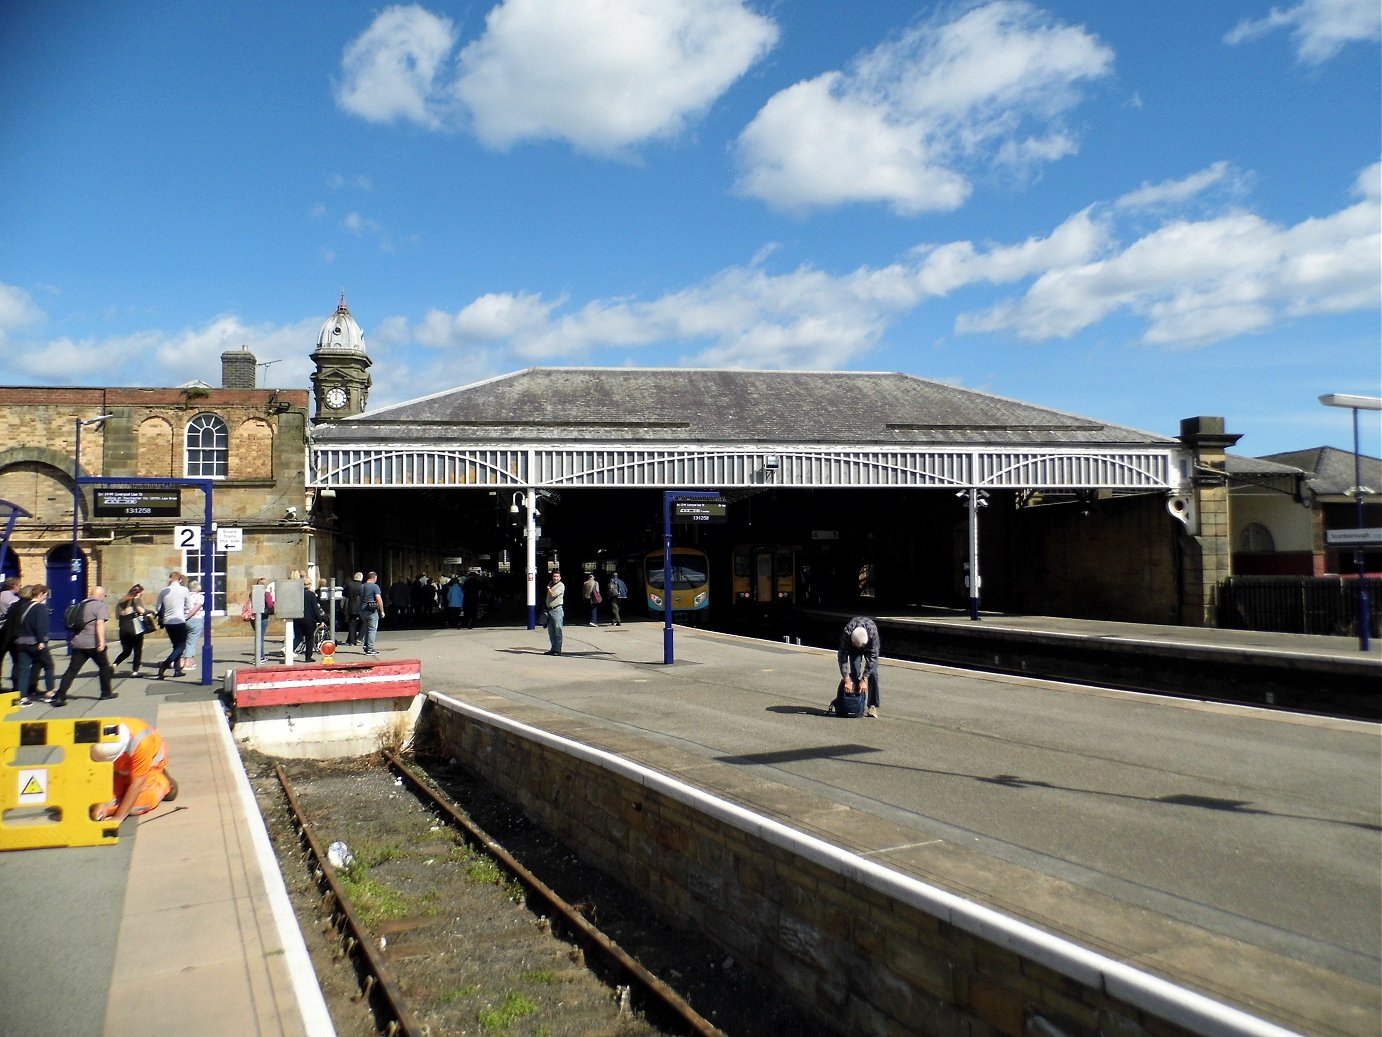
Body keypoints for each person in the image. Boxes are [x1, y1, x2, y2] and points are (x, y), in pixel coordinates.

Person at [88, 718, 177, 823]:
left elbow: (137, 785)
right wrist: (100, 803)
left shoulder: (141, 742)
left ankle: (164, 783)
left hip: (148, 769)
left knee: (144, 800)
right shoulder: (98, 737)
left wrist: (117, 817)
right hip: (119, 771)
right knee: (93, 802)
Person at [52, 585, 116, 706]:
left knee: (72, 670)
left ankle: (60, 696)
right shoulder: (99, 606)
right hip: (93, 643)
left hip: (78, 643)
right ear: (101, 595)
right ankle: (106, 693)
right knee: (104, 667)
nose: (104, 598)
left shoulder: (80, 604)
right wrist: (101, 641)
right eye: (104, 596)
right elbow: (99, 624)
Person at [13, 584, 55, 704]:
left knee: (24, 670)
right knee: (48, 665)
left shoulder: (22, 606)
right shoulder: (40, 608)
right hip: (35, 642)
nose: (45, 598)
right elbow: (40, 626)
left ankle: (23, 697)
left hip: (21, 642)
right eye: (45, 595)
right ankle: (49, 692)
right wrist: (42, 641)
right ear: (40, 594)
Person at [836, 616, 881, 718]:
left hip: (869, 645)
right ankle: (853, 704)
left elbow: (873, 658)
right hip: (853, 646)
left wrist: (864, 679)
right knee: (855, 672)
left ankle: (872, 706)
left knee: (873, 674)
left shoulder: (872, 633)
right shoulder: (847, 632)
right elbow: (842, 656)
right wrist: (846, 679)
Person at [154, 571, 191, 680]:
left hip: (168, 622)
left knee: (176, 646)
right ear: (180, 580)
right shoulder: (184, 590)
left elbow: (158, 608)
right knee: (181, 646)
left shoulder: (163, 591)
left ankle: (177, 670)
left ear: (170, 578)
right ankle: (164, 665)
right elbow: (189, 605)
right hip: (179, 620)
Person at [112, 584, 152, 677]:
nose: (142, 595)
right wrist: (151, 612)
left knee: (126, 650)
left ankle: (114, 664)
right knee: (137, 650)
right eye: (141, 593)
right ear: (138, 593)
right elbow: (141, 611)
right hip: (134, 628)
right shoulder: (136, 600)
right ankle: (135, 671)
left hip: (123, 628)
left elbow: (117, 617)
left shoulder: (120, 601)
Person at [290, 570, 325, 662]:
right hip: (309, 620)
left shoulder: (296, 594)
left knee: (298, 637)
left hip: (297, 618)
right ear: (309, 584)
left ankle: (288, 651)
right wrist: (320, 621)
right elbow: (315, 609)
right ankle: (308, 657)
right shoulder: (311, 595)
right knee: (309, 638)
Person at [182, 579, 206, 672]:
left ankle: (190, 660)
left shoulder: (186, 596)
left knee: (186, 641)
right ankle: (188, 661)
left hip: (184, 620)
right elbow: (196, 608)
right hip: (195, 620)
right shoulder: (200, 597)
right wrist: (188, 616)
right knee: (192, 642)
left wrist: (184, 617)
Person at [360, 571, 385, 656]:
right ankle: (370, 649)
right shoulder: (375, 586)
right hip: (372, 611)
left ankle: (366, 646)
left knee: (367, 628)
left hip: (362, 610)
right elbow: (378, 598)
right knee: (372, 629)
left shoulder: (362, 586)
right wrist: (382, 611)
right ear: (374, 578)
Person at [543, 570, 565, 656]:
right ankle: (552, 649)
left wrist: (548, 588)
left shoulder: (561, 585)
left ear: (560, 577)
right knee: (551, 631)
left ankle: (557, 650)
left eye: (557, 576)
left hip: (557, 610)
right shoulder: (551, 584)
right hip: (549, 610)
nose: (555, 578)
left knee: (558, 630)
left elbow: (553, 595)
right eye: (554, 576)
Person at [344, 571, 364, 645]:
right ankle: (360, 637)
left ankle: (351, 641)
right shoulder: (362, 586)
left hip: (351, 606)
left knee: (351, 623)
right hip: (360, 606)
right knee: (364, 621)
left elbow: (344, 594)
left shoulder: (349, 584)